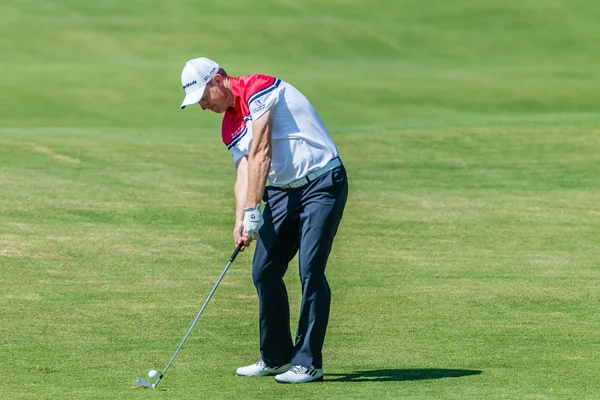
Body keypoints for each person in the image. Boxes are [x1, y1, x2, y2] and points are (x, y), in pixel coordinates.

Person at [180, 57, 348, 384]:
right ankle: (276, 357)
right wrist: (241, 220)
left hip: (322, 182)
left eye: (203, 96)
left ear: (218, 80)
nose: (202, 106)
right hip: (284, 193)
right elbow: (244, 172)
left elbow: (262, 151)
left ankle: (308, 362)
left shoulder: (259, 88)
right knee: (264, 271)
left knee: (310, 269)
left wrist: (254, 210)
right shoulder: (229, 124)